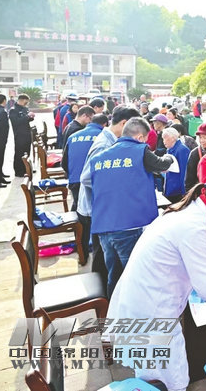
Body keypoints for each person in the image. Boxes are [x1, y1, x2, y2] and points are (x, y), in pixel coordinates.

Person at [106, 177, 206, 391]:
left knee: (154, 372)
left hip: (143, 297)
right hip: (152, 307)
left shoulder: (186, 211)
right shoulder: (195, 226)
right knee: (169, 380)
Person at [90, 117, 174, 297]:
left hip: (103, 226)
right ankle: (134, 310)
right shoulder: (139, 151)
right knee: (135, 275)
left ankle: (113, 309)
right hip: (128, 226)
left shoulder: (99, 158)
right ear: (140, 137)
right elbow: (162, 164)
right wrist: (169, 156)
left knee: (114, 274)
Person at [79, 106, 141, 296]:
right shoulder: (105, 145)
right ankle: (104, 301)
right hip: (99, 210)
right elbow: (86, 178)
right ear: (124, 124)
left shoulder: (112, 141)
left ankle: (107, 300)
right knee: (104, 261)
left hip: (105, 210)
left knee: (107, 261)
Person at [62, 113, 108, 211]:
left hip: (75, 180)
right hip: (93, 182)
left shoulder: (73, 136)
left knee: (78, 207)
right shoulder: (104, 137)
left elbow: (64, 162)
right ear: (105, 124)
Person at [184, 123, 206, 193]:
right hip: (201, 192)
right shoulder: (195, 153)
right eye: (200, 137)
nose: (202, 141)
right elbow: (189, 180)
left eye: (205, 138)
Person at [162, 127, 190, 203]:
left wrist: (184, 192)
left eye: (165, 138)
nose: (163, 141)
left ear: (172, 138)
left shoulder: (182, 150)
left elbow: (185, 171)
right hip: (170, 187)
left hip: (178, 191)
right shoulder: (169, 149)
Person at [9, 94, 35, 177]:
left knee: (27, 152)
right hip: (19, 135)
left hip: (27, 133)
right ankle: (19, 171)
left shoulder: (25, 108)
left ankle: (26, 169)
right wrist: (27, 117)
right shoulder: (13, 110)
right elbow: (16, 122)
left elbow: (26, 119)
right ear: (21, 100)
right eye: (25, 102)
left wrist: (31, 117)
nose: (26, 104)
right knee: (19, 153)